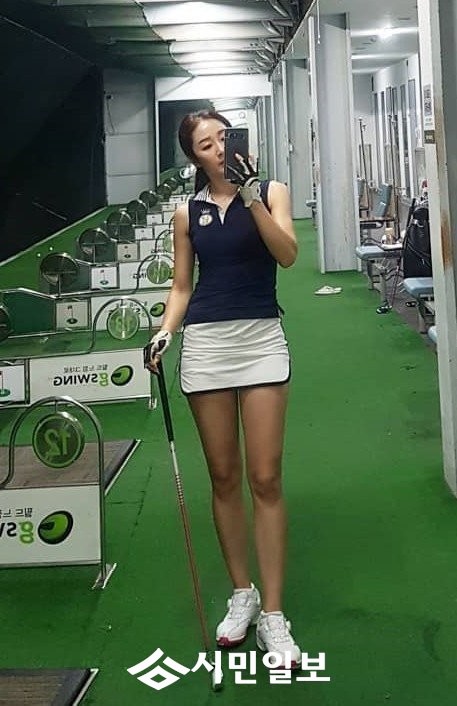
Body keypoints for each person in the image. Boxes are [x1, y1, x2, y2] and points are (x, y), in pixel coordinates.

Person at [145, 110, 300, 668]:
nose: (217, 149)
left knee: (266, 477)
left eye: (222, 138)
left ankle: (274, 613)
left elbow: (287, 254)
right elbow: (181, 286)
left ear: (236, 141)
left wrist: (252, 195)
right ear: (195, 157)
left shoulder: (272, 192)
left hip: (261, 339)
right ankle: (243, 592)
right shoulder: (186, 212)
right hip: (207, 345)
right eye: (205, 144)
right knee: (224, 476)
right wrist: (165, 331)